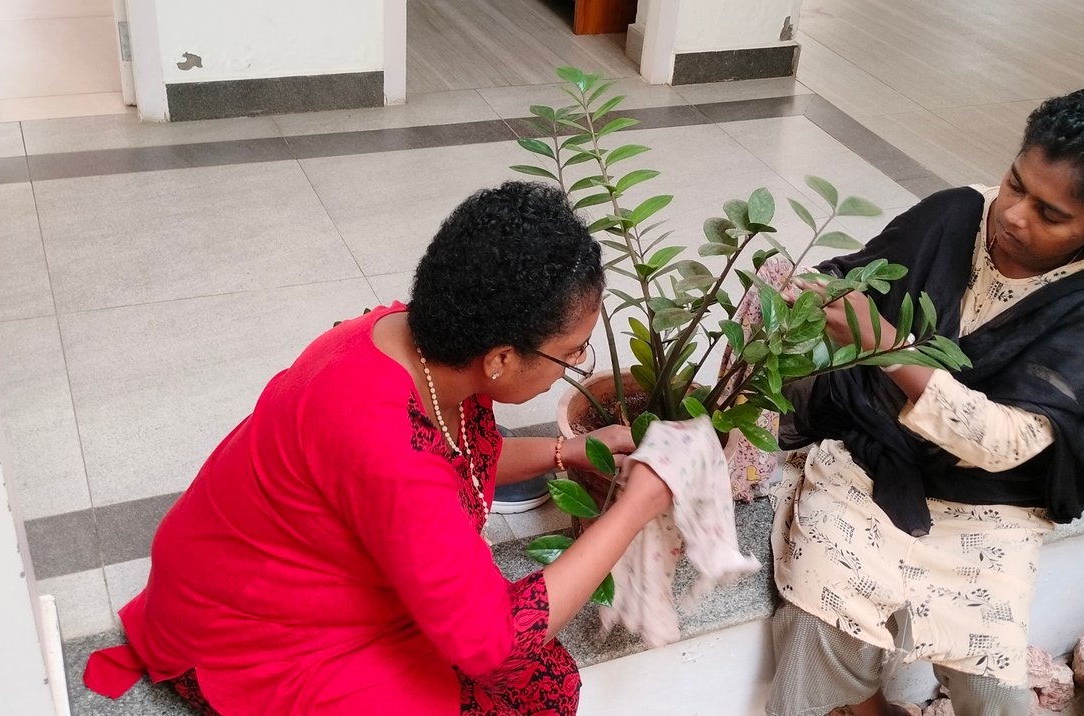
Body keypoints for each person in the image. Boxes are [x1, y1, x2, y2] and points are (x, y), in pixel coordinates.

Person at [82, 181, 674, 715]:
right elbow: (491, 644)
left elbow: (460, 461)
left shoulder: (412, 342)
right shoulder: (387, 439)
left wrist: (566, 452)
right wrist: (633, 507)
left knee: (545, 680)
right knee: (527, 691)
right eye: (571, 352)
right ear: (499, 359)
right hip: (247, 631)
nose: (575, 367)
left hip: (264, 573)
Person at [767, 89, 1084, 716]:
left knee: (992, 686)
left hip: (987, 500)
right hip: (870, 450)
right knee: (821, 623)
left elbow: (1005, 442)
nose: (1013, 215)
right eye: (1015, 183)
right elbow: (857, 278)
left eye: (1051, 214)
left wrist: (887, 348)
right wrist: (810, 296)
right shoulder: (956, 215)